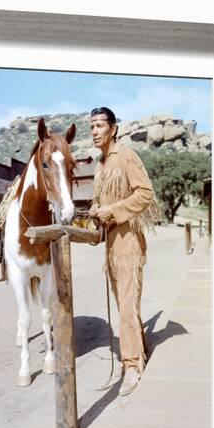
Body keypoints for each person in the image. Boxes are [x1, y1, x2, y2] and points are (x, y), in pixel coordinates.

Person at [89, 107, 159, 396]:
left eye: (99, 125)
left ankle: (131, 365)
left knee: (128, 306)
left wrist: (113, 211)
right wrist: (95, 211)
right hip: (110, 245)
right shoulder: (100, 164)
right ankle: (137, 351)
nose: (94, 131)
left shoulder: (126, 156)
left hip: (129, 242)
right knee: (123, 305)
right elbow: (99, 202)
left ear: (113, 128)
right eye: (91, 126)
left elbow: (145, 193)